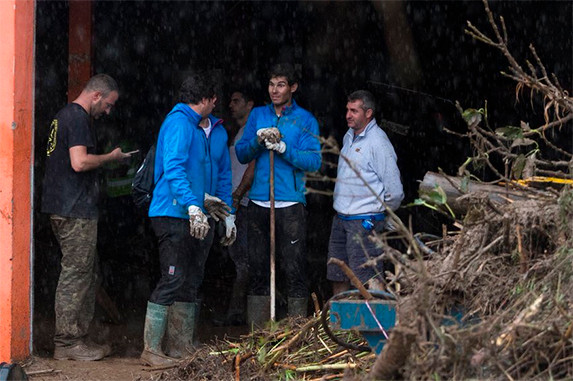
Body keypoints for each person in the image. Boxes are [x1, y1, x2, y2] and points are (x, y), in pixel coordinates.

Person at [141, 72, 236, 366]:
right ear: (209, 100)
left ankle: (180, 345)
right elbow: (174, 169)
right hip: (172, 212)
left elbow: (221, 174)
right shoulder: (180, 123)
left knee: (191, 279)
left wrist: (226, 212)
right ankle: (151, 350)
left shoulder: (212, 130)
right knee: (172, 277)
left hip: (199, 215)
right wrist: (192, 205)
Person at [41, 74, 133, 361]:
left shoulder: (63, 116)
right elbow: (79, 162)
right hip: (73, 209)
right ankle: (68, 343)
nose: (108, 111)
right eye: (108, 104)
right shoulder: (78, 118)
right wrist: (111, 158)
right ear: (96, 96)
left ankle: (77, 338)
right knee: (76, 275)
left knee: (83, 273)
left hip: (63, 206)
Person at [235, 63, 321, 326]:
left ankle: (296, 333)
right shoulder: (258, 115)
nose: (275, 90)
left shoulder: (305, 120)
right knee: (257, 268)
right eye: (272, 84)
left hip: (291, 202)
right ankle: (257, 335)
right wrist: (257, 141)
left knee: (294, 268)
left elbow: (314, 162)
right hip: (260, 200)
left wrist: (284, 148)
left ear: (293, 87)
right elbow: (241, 153)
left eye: (281, 85)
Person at [327, 90, 404, 296]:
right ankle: (341, 325)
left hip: (364, 222)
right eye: (347, 110)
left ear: (368, 113)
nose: (348, 115)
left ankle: (370, 324)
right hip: (341, 219)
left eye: (354, 111)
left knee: (367, 276)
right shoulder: (348, 136)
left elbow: (395, 191)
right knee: (338, 272)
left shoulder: (378, 142)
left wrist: (380, 214)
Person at [213, 89, 255, 326]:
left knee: (242, 260)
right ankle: (237, 312)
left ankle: (237, 314)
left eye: (236, 100)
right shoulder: (240, 132)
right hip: (233, 203)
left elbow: (254, 166)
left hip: (243, 203)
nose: (231, 104)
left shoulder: (251, 133)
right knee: (237, 258)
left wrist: (238, 195)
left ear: (250, 104)